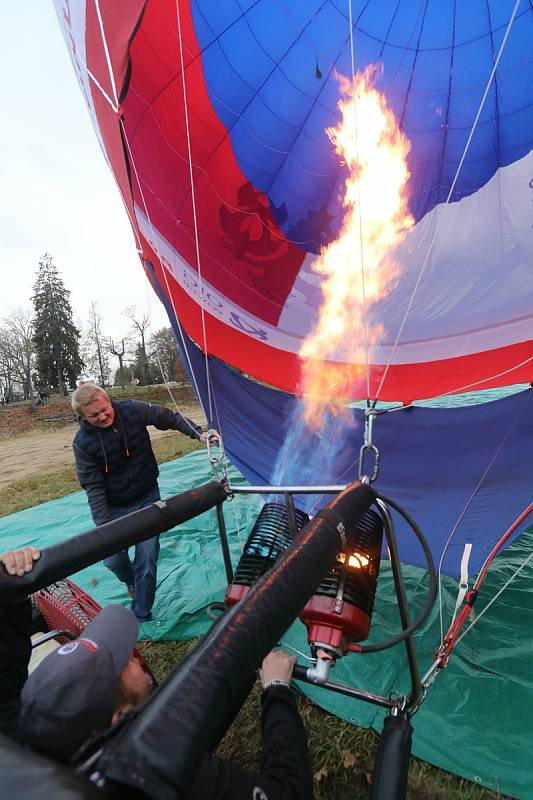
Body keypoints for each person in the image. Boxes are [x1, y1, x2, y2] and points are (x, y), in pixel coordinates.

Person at [1, 548, 314, 799]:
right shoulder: (159, 776)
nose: (135, 657)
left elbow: (4, 686)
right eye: (124, 662)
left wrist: (10, 590)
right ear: (119, 719)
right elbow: (290, 790)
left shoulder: (24, 747)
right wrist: (276, 689)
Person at [71, 384, 214, 622]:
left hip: (147, 496)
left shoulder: (133, 410)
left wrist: (198, 433)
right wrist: (105, 527)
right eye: (94, 416)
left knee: (146, 559)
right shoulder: (83, 443)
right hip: (115, 506)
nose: (103, 417)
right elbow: (93, 488)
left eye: (104, 410)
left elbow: (169, 417)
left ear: (108, 400)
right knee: (113, 560)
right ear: (83, 416)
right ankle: (129, 580)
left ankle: (141, 615)